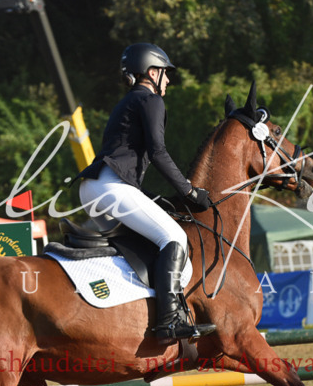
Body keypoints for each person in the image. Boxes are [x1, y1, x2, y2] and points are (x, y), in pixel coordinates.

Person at [77, 43, 214, 341]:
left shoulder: (126, 102)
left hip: (93, 189)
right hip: (110, 188)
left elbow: (123, 159)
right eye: (165, 74)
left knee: (140, 247)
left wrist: (151, 195)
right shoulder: (151, 100)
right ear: (152, 72)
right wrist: (189, 191)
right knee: (174, 237)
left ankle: (131, 312)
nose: (168, 81)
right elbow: (159, 152)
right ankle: (169, 321)